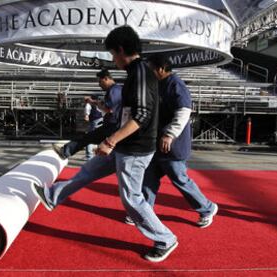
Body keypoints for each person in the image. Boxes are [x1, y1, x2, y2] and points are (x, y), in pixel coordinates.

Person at [33, 26, 178, 263]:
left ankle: (165, 238)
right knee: (88, 171)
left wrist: (110, 141)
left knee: (132, 199)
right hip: (126, 145)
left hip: (134, 149)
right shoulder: (137, 73)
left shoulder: (140, 73)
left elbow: (140, 116)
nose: (113, 59)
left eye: (112, 54)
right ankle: (52, 196)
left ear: (120, 50)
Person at [125, 53, 218, 227]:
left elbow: (183, 111)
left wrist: (170, 134)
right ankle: (145, 212)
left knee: (179, 179)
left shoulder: (175, 84)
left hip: (172, 145)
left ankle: (207, 208)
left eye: (150, 69)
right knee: (148, 179)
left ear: (160, 69)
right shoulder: (156, 84)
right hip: (156, 143)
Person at [53, 69, 122, 159]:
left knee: (87, 138)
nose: (99, 84)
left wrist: (94, 102)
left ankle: (65, 151)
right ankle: (66, 151)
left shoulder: (114, 90)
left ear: (106, 78)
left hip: (112, 126)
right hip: (113, 125)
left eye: (100, 81)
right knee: (88, 138)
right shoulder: (116, 90)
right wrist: (93, 102)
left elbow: (109, 108)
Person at [84, 94, 103, 159]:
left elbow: (87, 108)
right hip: (101, 120)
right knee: (99, 137)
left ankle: (89, 155)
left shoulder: (90, 104)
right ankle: (98, 155)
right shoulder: (99, 103)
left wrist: (86, 115)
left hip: (95, 121)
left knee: (90, 137)